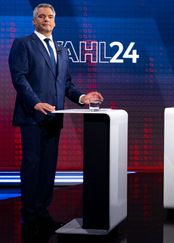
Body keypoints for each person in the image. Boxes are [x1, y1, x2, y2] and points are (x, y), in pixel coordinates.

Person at [8, 3, 104, 237]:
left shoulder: (61, 49)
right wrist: (35, 103)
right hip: (32, 117)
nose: (46, 20)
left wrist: (83, 97)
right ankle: (29, 215)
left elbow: (66, 84)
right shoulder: (23, 44)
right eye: (41, 17)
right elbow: (19, 78)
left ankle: (42, 212)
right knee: (32, 166)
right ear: (34, 21)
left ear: (55, 21)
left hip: (55, 118)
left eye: (50, 17)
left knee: (49, 167)